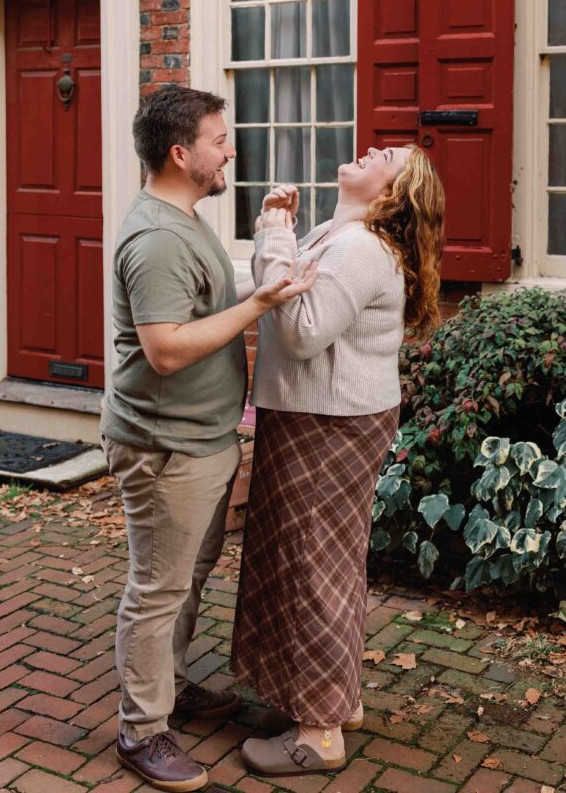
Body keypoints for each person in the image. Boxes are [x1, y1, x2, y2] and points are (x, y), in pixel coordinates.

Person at [100, 85, 316, 792]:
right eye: (221, 140)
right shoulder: (159, 237)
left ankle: (168, 686)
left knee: (186, 579)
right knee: (159, 588)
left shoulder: (182, 216)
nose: (232, 150)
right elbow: (164, 350)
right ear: (180, 152)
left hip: (201, 439)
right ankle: (142, 729)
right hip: (165, 448)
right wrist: (258, 306)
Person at [231, 144, 445, 778]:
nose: (372, 147)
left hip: (326, 422)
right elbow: (275, 287)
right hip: (326, 416)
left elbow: (299, 332)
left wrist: (272, 231)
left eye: (389, 156)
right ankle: (334, 699)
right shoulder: (341, 233)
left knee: (312, 565)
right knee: (327, 561)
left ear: (391, 195)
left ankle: (319, 735)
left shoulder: (360, 250)